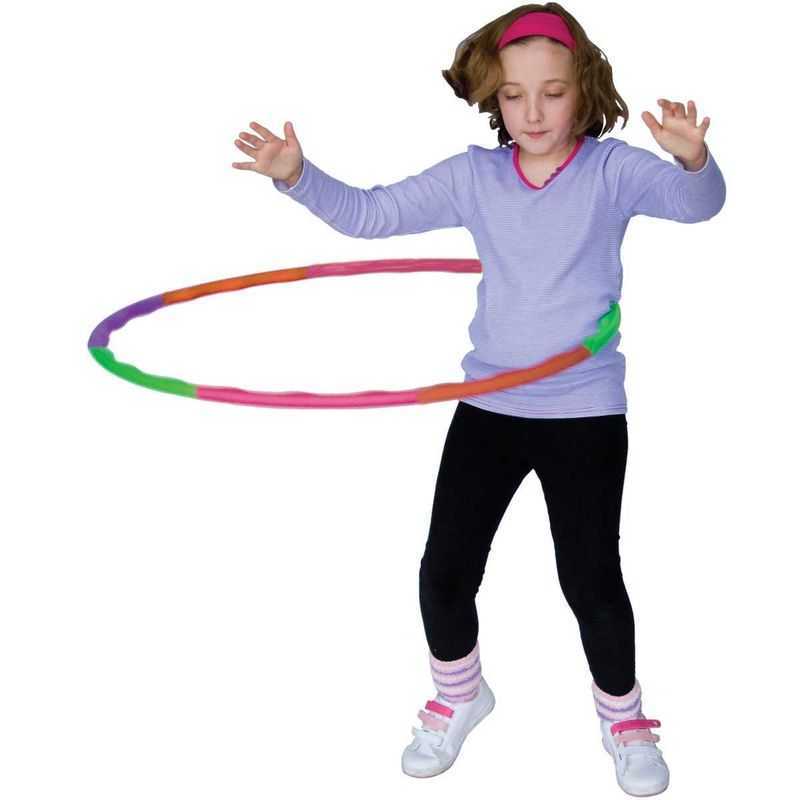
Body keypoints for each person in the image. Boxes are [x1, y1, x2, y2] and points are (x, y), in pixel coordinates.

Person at [231, 3, 725, 795]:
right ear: (493, 96)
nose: (533, 112)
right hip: (489, 407)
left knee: (591, 580)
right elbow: (371, 214)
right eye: (514, 95)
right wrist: (297, 176)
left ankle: (626, 722)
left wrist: (696, 162)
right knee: (444, 570)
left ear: (584, 88)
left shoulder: (612, 171)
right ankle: (460, 695)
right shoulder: (474, 177)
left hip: (583, 409)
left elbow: (699, 205)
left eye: (553, 93)